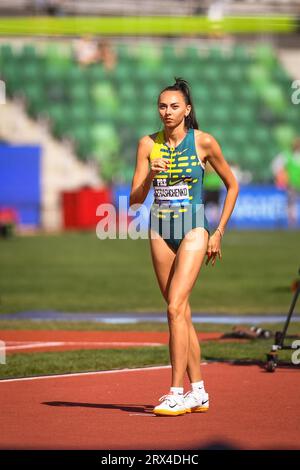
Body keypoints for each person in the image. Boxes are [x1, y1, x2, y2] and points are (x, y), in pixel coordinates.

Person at [129, 77, 239, 417]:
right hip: (160, 229)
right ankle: (200, 392)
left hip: (193, 228)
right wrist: (150, 174)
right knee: (182, 312)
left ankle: (176, 392)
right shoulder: (148, 144)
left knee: (174, 308)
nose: (167, 111)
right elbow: (134, 200)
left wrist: (218, 231)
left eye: (174, 106)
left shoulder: (203, 142)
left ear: (187, 110)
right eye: (162, 106)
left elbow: (232, 185)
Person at [271, 136, 300, 227]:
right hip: (292, 184)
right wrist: (280, 176)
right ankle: (292, 222)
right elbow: (275, 165)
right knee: (291, 203)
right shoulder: (287, 155)